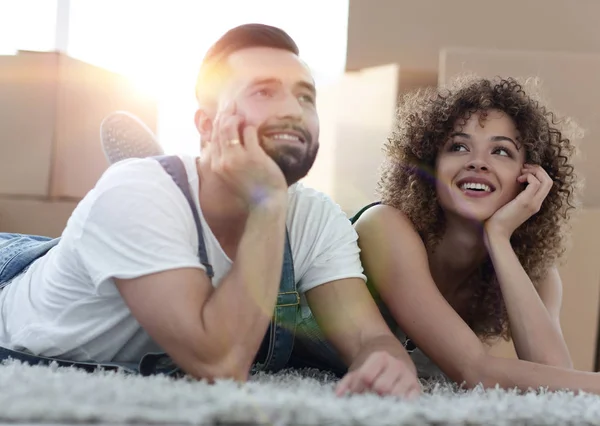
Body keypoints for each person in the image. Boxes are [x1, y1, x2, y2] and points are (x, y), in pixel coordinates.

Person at [0, 24, 421, 399]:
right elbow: (220, 366)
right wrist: (268, 201)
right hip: (17, 300)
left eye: (305, 96)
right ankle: (173, 195)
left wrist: (388, 362)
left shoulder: (315, 215)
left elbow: (370, 337)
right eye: (263, 91)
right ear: (206, 126)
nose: (293, 109)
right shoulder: (136, 191)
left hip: (146, 230)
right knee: (146, 201)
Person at [351, 75, 600, 393]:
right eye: (458, 147)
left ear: (530, 177)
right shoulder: (383, 226)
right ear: (430, 165)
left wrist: (498, 237)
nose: (478, 163)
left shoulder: (535, 273)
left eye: (502, 152)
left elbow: (554, 378)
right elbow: (476, 369)